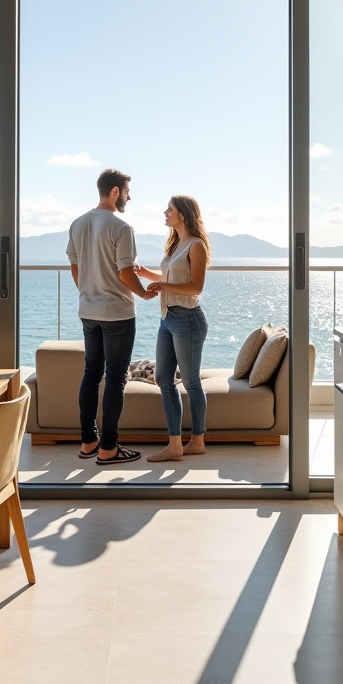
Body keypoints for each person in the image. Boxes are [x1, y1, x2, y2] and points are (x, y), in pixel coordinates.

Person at [66, 168, 153, 465]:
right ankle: (109, 448)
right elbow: (127, 272)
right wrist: (143, 294)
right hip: (117, 312)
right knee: (115, 378)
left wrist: (91, 290)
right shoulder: (121, 227)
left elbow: (75, 269)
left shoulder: (77, 224)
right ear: (115, 191)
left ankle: (89, 442)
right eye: (127, 191)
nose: (130, 196)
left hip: (88, 310)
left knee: (91, 374)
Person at [137, 196, 211, 462]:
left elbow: (195, 287)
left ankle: (198, 441)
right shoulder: (175, 244)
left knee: (190, 382)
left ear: (183, 213)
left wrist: (164, 287)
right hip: (167, 319)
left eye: (169, 209)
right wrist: (147, 273)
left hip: (188, 319)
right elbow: (171, 278)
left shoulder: (196, 245)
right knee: (163, 379)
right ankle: (176, 445)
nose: (165, 212)